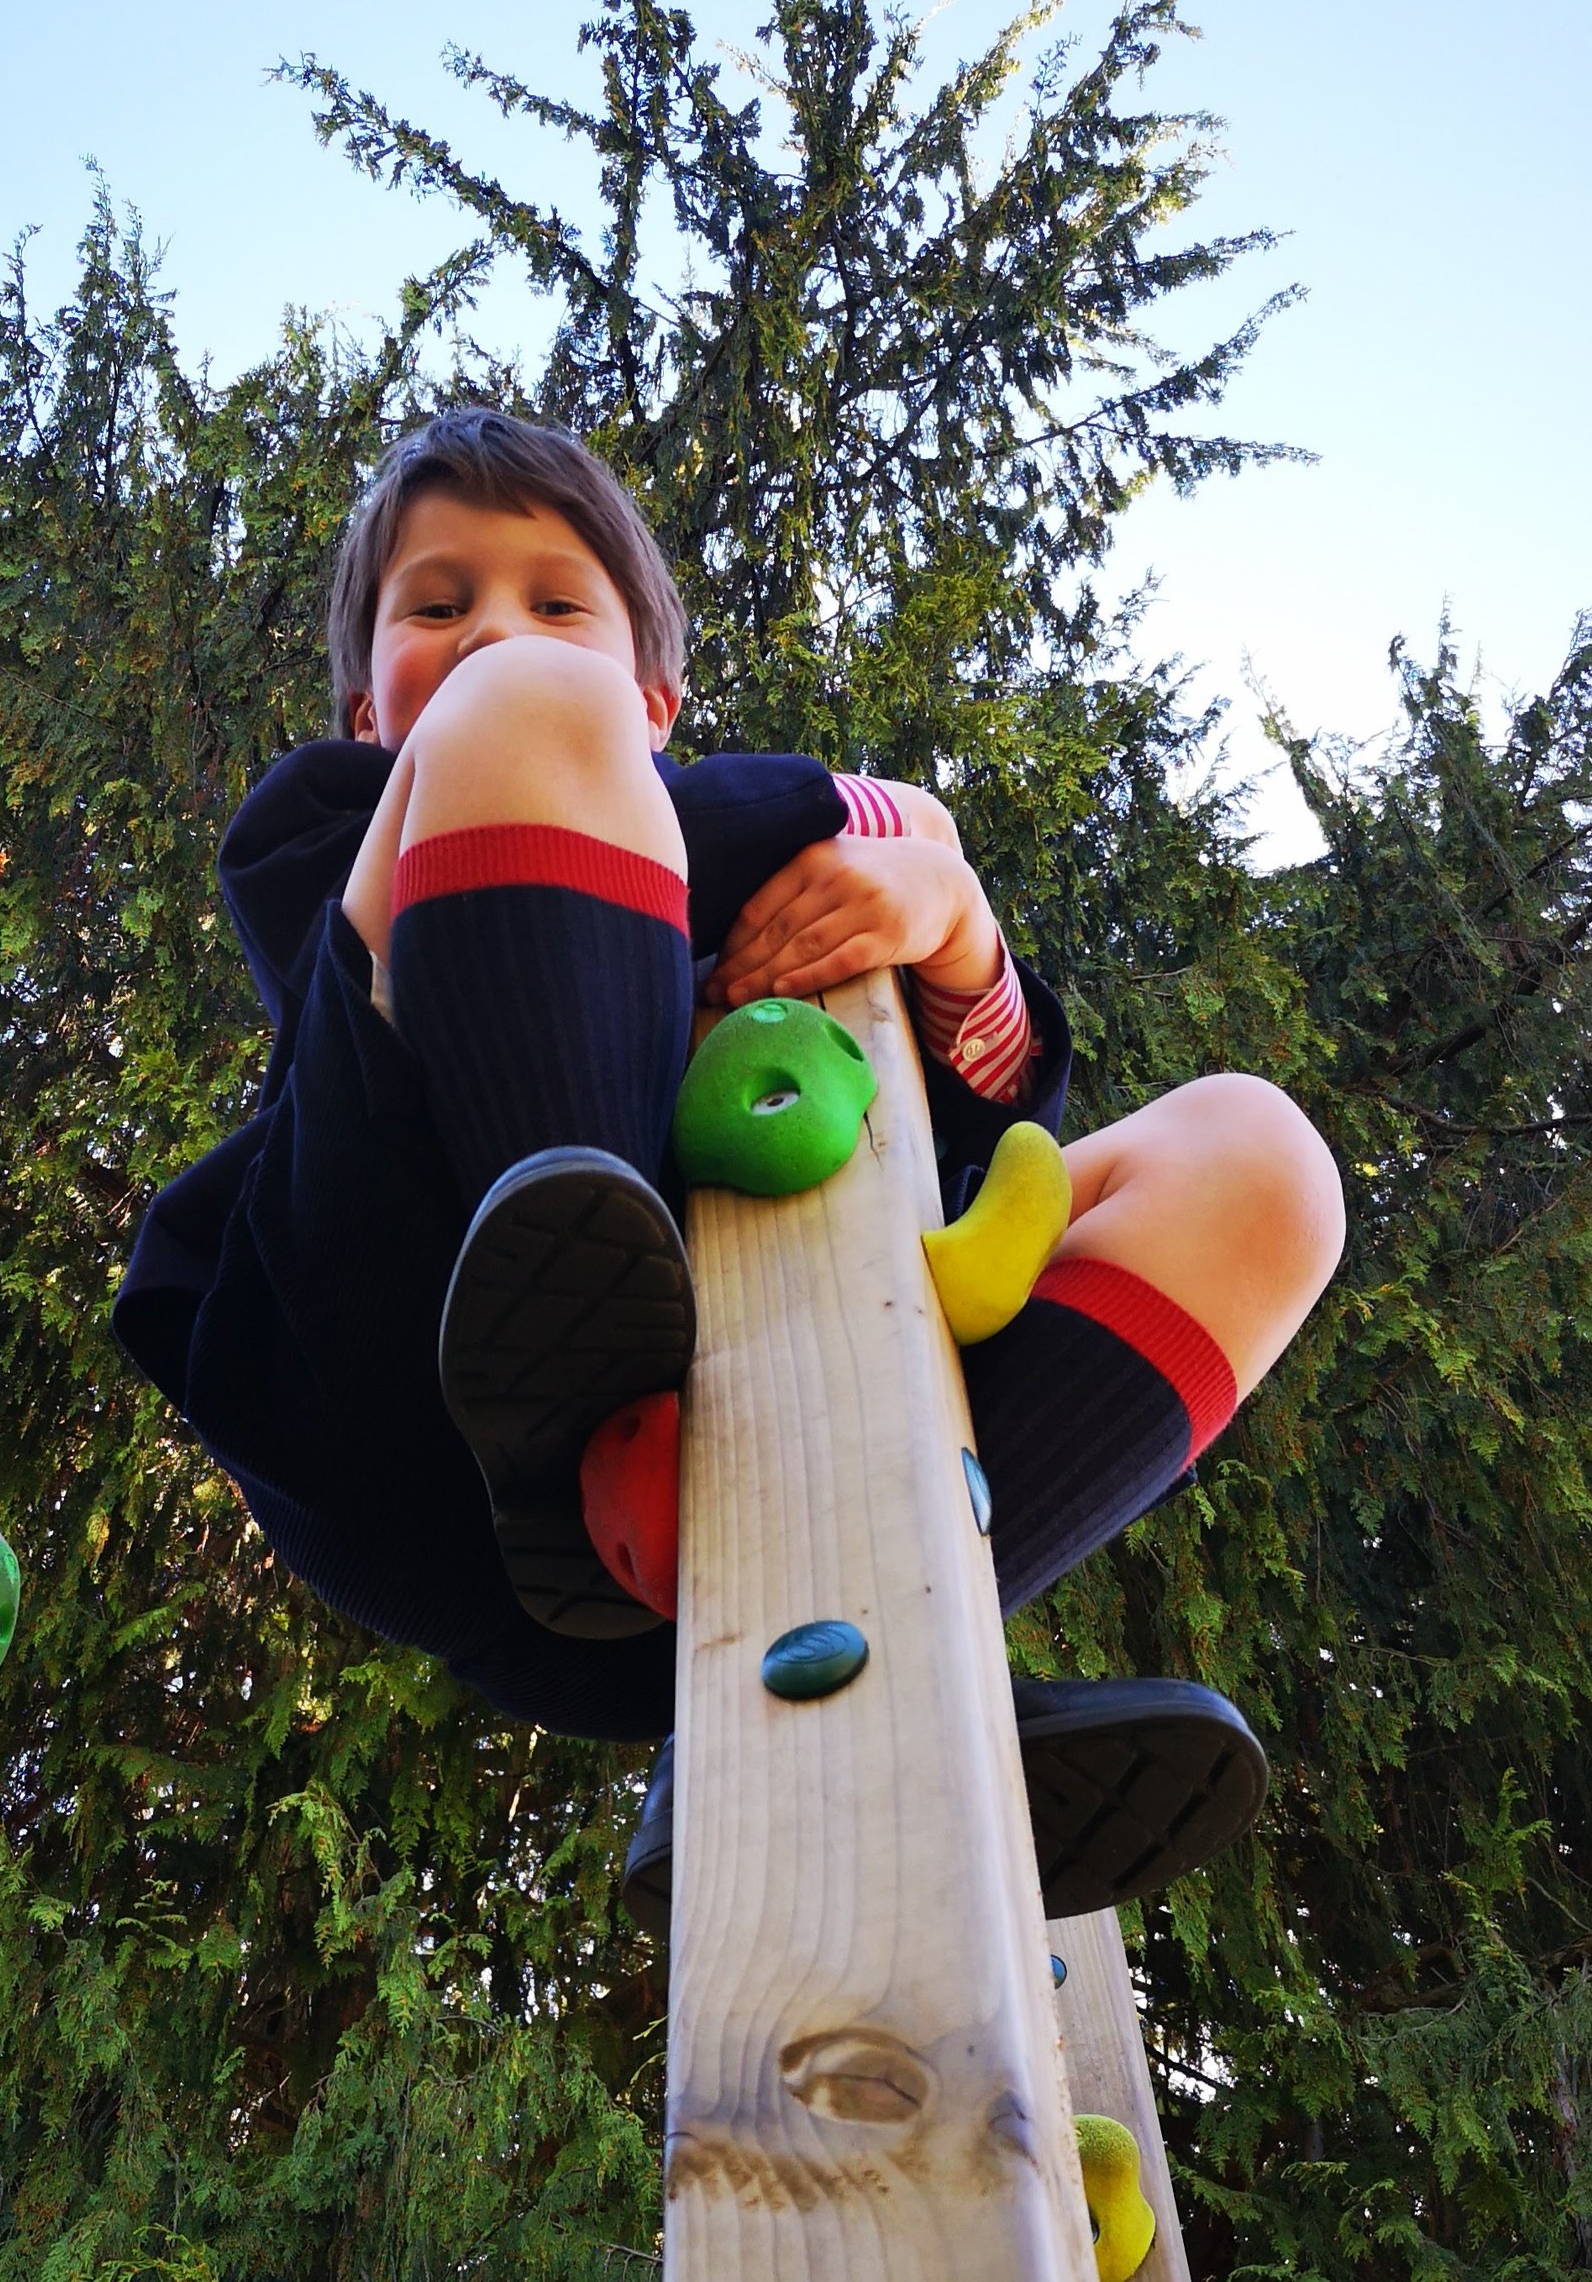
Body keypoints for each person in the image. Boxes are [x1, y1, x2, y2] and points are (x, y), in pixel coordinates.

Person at [113, 409, 1344, 1926]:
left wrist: (955, 935)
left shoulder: (734, 888)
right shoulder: (335, 823)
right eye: (437, 607)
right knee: (519, 724)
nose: (495, 629)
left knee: (1262, 1164)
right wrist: (898, 817)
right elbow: (641, 784)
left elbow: (969, 1121)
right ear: (369, 712)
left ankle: (892, 1655)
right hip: (416, 1407)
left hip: (738, 1487)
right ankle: (588, 1396)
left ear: (660, 694)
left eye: (557, 602)